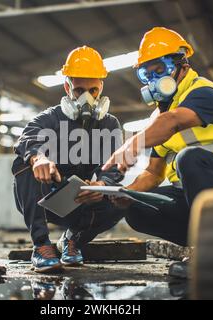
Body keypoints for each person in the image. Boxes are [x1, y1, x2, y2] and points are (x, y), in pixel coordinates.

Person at [103, 27, 213, 248]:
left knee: (189, 158)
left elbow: (175, 121)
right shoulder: (160, 117)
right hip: (198, 198)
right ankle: (205, 245)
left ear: (183, 66)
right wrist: (128, 193)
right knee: (136, 209)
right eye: (147, 74)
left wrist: (132, 144)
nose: (155, 79)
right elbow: (153, 173)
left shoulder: (203, 92)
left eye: (161, 69)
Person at [12, 46, 125, 273]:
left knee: (122, 197)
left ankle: (73, 240)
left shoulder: (110, 124)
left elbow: (115, 165)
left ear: (102, 86)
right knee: (23, 164)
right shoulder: (51, 118)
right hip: (46, 199)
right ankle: (41, 245)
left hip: (81, 200)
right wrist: (38, 158)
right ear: (67, 87)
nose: (87, 98)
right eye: (79, 90)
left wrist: (102, 186)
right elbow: (28, 137)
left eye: (93, 90)